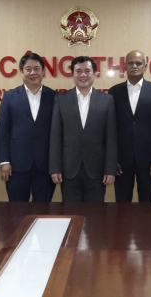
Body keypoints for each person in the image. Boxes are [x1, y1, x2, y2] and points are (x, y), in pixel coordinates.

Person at [50, 56, 117, 203]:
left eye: (87, 71)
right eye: (78, 71)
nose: (83, 75)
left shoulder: (107, 100)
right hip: (69, 168)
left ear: (95, 73)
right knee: (71, 211)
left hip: (97, 170)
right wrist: (55, 168)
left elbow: (111, 138)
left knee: (95, 213)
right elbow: (55, 136)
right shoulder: (61, 99)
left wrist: (110, 169)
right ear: (72, 73)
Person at [109, 50, 151, 203]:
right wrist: (112, 159)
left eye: (138, 63)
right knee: (122, 206)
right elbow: (111, 129)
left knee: (147, 205)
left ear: (145, 66)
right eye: (131, 63)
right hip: (122, 162)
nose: (134, 66)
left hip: (149, 161)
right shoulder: (114, 92)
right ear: (124, 66)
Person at [0, 53, 57, 202]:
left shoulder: (54, 97)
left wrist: (57, 165)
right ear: (21, 71)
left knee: (43, 210)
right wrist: (4, 161)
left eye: (36, 68)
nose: (33, 72)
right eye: (28, 69)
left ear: (43, 71)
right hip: (16, 166)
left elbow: (58, 133)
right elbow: (2, 132)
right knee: (17, 211)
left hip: (46, 167)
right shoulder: (10, 97)